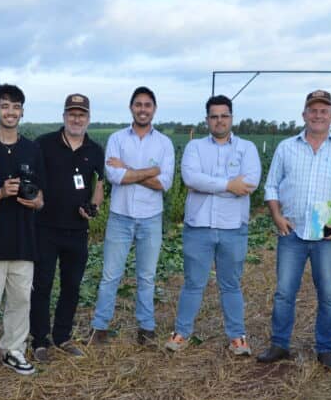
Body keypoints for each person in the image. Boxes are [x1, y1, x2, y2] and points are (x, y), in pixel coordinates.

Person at [258, 90, 331, 370]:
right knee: (284, 292)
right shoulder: (286, 147)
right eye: (313, 110)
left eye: (324, 111)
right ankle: (279, 344)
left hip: (327, 230)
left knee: (328, 293)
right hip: (291, 231)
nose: (318, 115)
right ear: (304, 114)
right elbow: (271, 185)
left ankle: (325, 348)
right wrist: (277, 215)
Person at [165, 95, 261, 355]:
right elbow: (191, 179)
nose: (219, 120)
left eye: (224, 116)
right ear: (207, 119)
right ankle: (181, 333)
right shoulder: (195, 147)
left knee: (230, 284)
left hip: (233, 228)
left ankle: (237, 336)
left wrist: (211, 184)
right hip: (199, 226)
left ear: (231, 118)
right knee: (193, 282)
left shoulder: (247, 148)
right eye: (214, 116)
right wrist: (230, 184)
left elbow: (250, 182)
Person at [89, 86, 175, 347]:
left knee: (147, 276)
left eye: (147, 105)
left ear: (154, 109)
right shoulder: (117, 139)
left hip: (151, 218)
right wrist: (148, 170)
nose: (143, 109)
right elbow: (115, 177)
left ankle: (146, 328)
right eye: (138, 104)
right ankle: (99, 328)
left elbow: (165, 183)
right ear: (131, 108)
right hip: (120, 216)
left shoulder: (164, 143)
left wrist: (129, 170)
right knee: (110, 274)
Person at [0, 84, 44, 377]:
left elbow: (41, 198)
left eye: (15, 106)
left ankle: (14, 349)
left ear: (22, 111)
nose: (10, 111)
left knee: (20, 300)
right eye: (5, 106)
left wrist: (33, 200)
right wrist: (0, 193)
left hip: (24, 238)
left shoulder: (32, 148)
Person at [29, 94, 105, 361]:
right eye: (72, 114)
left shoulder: (95, 150)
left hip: (77, 230)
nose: (76, 119)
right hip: (45, 228)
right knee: (42, 285)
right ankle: (39, 340)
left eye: (81, 114)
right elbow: (31, 179)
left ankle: (62, 336)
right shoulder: (44, 144)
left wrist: (92, 207)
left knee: (71, 286)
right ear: (64, 116)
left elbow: (100, 184)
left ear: (88, 119)